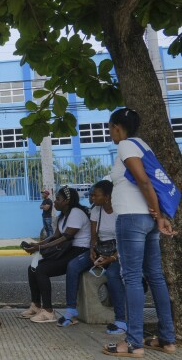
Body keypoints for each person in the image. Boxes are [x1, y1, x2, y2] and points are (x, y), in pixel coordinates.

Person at [102, 108, 176, 357]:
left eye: (110, 128)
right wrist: (159, 216)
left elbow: (144, 180)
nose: (110, 132)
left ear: (116, 127)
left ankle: (133, 343)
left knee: (132, 278)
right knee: (155, 276)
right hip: (147, 219)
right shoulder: (143, 145)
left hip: (132, 219)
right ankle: (167, 339)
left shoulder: (125, 146)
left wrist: (158, 214)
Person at [59, 180, 126, 334]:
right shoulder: (96, 210)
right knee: (73, 265)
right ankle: (71, 310)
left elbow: (124, 240)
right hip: (102, 249)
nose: (92, 198)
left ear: (108, 197)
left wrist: (114, 258)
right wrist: (92, 250)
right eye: (91, 195)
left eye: (96, 195)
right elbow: (94, 235)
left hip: (119, 251)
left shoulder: (120, 211)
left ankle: (121, 321)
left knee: (113, 274)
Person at [21, 186, 90, 323]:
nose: (55, 201)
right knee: (32, 268)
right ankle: (36, 305)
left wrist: (40, 247)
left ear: (67, 201)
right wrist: (37, 245)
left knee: (42, 270)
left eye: (58, 199)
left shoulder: (76, 213)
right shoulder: (63, 216)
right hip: (70, 250)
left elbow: (66, 237)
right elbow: (55, 236)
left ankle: (48, 312)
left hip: (81, 251)